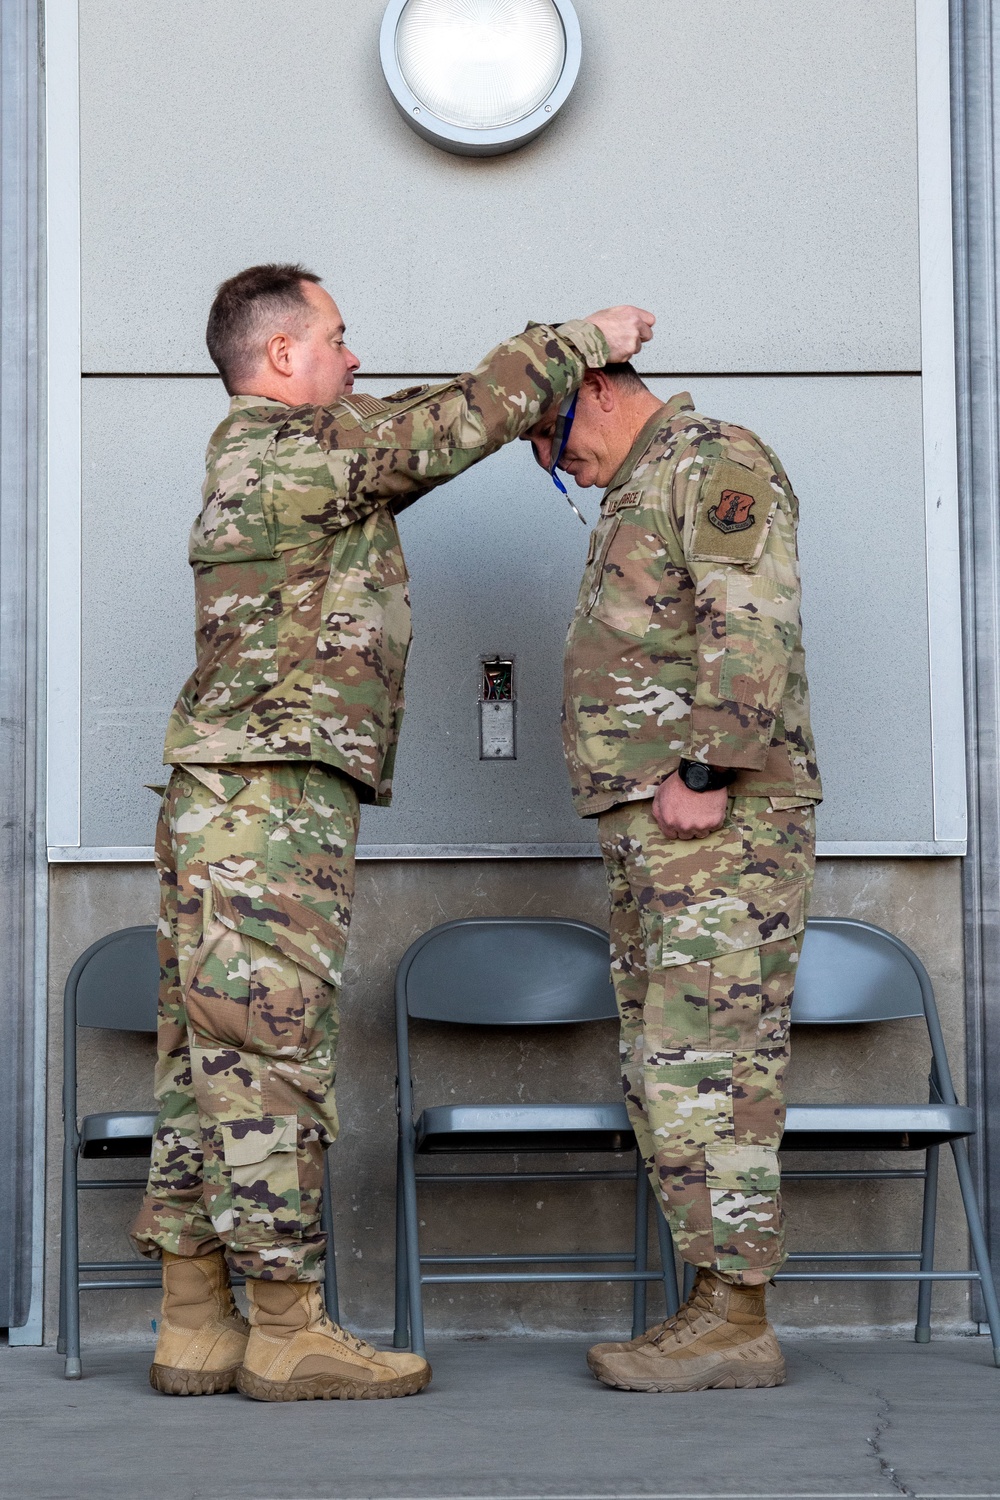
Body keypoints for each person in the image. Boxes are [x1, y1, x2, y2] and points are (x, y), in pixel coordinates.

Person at [129, 262, 654, 1403]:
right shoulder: (285, 453)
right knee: (269, 1061)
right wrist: (579, 338)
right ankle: (285, 1328)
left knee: (207, 1063)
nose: (355, 355)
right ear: (280, 358)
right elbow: (447, 425)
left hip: (232, 794)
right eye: (337, 335)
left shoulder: (289, 465)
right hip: (267, 802)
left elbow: (419, 429)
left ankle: (196, 1321)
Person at [525, 364, 820, 1392]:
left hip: (717, 825)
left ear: (598, 389)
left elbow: (752, 614)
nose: (554, 462)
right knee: (669, 1071)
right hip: (657, 836)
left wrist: (707, 766)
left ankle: (739, 1320)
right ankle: (712, 1302)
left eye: (551, 440)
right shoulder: (644, 483)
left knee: (713, 1067)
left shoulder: (710, 460)